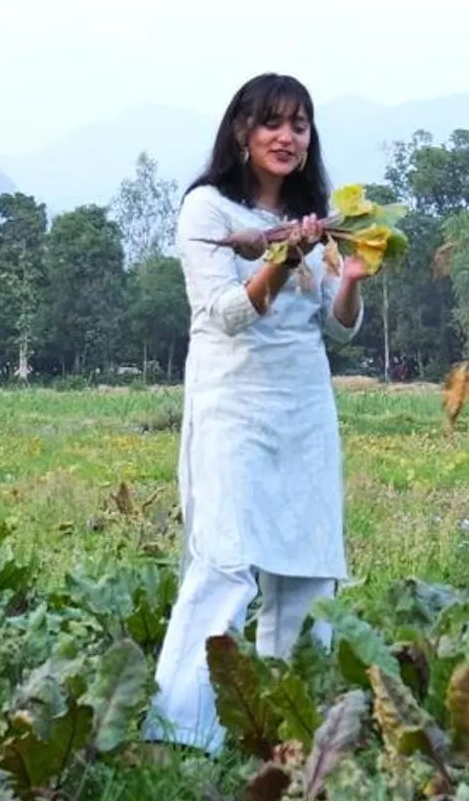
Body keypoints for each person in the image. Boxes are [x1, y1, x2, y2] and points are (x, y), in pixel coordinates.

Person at [149, 73, 369, 751]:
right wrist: (282, 257)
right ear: (241, 133)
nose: (286, 136)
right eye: (272, 123)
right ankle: (181, 732)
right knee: (226, 557)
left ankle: (282, 727)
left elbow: (339, 327)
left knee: (307, 563)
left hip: (303, 399)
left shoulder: (317, 215)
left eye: (299, 124)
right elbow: (228, 314)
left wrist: (351, 280)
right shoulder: (207, 211)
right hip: (233, 396)